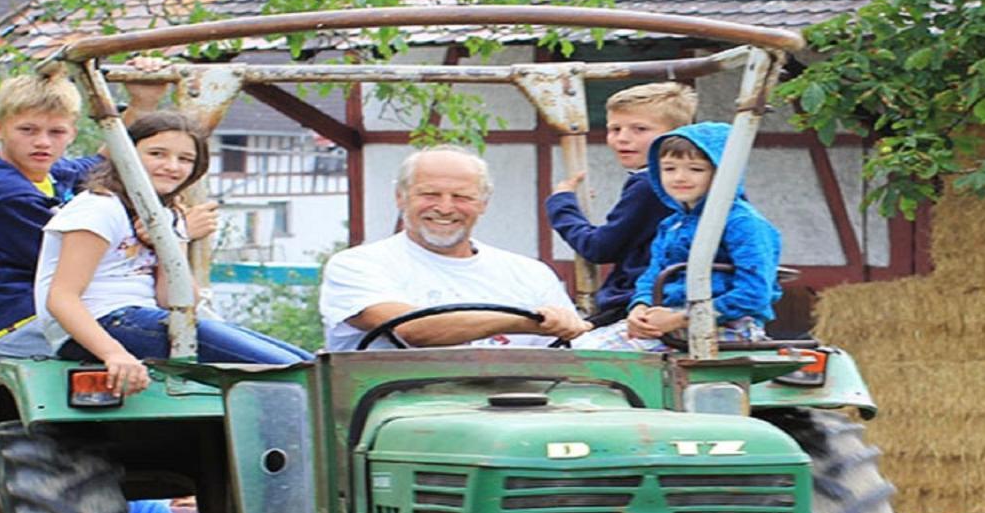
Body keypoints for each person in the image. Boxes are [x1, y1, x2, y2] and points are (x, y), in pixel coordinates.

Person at [0, 68, 218, 359]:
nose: (43, 142)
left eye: (56, 132)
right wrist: (174, 230)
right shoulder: (3, 195)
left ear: (71, 133)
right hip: (30, 321)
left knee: (200, 334)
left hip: (81, 311)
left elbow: (102, 161)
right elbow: (87, 255)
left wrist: (142, 104)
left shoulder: (48, 173)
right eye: (28, 130)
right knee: (198, 349)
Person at [35, 111, 311, 395]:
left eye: (185, 159)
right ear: (125, 155)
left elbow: (178, 299)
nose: (172, 166)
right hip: (102, 323)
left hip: (143, 318)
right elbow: (61, 297)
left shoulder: (162, 214)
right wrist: (114, 354)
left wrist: (170, 238)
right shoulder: (99, 208)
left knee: (308, 365)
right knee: (293, 375)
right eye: (157, 154)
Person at [320, 145, 590, 351]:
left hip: (517, 409)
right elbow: (412, 329)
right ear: (400, 198)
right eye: (429, 195)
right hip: (396, 412)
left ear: (483, 203)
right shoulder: (358, 265)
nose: (445, 208)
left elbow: (571, 355)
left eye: (461, 197)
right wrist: (526, 322)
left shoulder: (531, 274)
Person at [577, 122, 780, 352]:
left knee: (593, 355)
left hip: (726, 325)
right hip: (671, 323)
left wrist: (680, 317)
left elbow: (754, 293)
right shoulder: (671, 223)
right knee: (577, 347)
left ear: (723, 172)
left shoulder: (743, 223)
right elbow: (651, 276)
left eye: (696, 169)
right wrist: (640, 308)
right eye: (669, 168)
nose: (680, 177)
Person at [546, 83, 697, 314]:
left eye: (639, 129)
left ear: (674, 137)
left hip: (643, 299)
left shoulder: (649, 185)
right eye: (615, 129)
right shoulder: (684, 183)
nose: (622, 138)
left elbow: (599, 248)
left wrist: (562, 204)